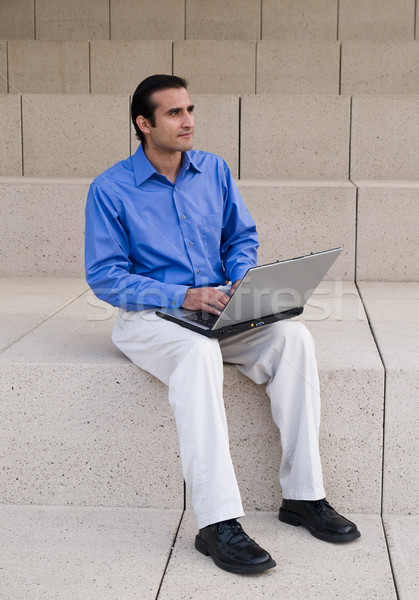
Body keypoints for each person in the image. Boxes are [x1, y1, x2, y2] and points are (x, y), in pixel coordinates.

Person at [85, 74, 360, 575]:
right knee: (198, 354)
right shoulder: (110, 188)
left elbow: (241, 238)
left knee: (294, 337)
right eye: (173, 113)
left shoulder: (213, 170)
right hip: (151, 318)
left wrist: (239, 281)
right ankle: (217, 523)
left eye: (189, 109)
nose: (188, 121)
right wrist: (182, 294)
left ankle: (303, 496)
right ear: (143, 124)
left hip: (219, 309)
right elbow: (105, 277)